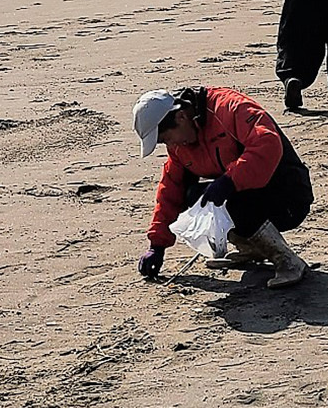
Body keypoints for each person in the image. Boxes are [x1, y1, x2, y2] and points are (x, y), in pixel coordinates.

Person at [133, 86, 313, 288]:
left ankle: (288, 261)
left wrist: (230, 181)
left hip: (288, 197)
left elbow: (268, 143)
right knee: (194, 196)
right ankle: (252, 247)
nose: (170, 145)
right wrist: (157, 245)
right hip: (248, 196)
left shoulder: (229, 108)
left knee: (232, 201)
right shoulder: (179, 146)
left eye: (166, 138)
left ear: (181, 117)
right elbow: (171, 191)